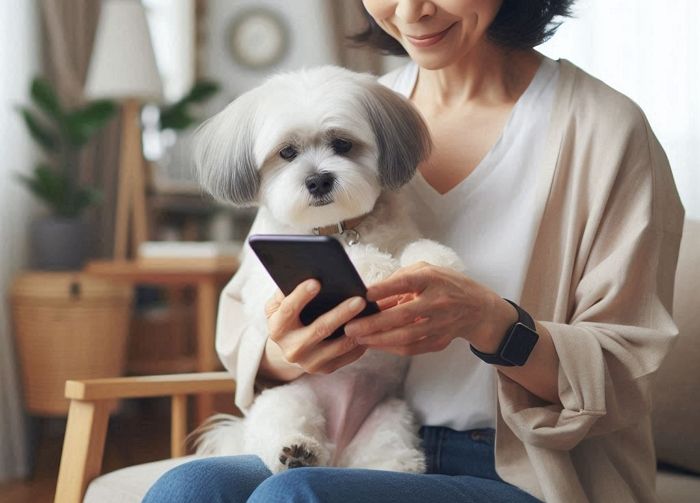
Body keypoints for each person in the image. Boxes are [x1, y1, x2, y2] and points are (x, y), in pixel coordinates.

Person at [143, 1, 684, 502]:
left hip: (518, 463)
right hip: (347, 434)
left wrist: (491, 323)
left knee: (297, 496)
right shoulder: (341, 105)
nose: (410, 10)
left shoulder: (604, 130)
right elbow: (249, 324)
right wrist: (293, 350)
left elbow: (625, 372)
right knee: (189, 489)